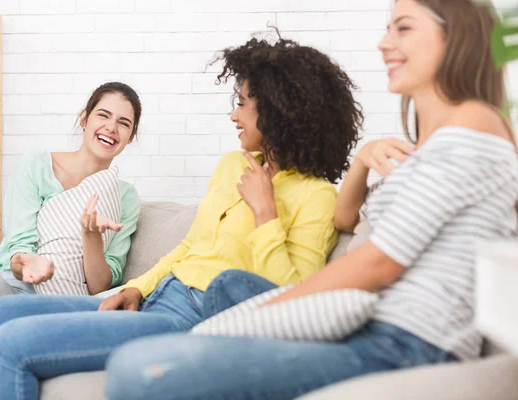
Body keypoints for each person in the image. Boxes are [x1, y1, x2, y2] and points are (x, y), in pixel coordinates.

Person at [101, 1, 518, 399]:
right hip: (369, 328)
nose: (384, 42)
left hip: (404, 342)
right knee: (190, 324)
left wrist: (258, 315)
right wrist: (360, 163)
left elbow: (378, 261)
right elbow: (347, 217)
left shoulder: (472, 126)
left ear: (456, 37)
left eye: (404, 27)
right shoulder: (439, 141)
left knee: (139, 371)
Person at [0, 34, 363, 400]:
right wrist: (136, 287)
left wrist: (265, 212)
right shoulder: (231, 167)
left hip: (196, 316)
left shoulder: (317, 196)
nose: (233, 116)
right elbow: (190, 247)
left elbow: (291, 297)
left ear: (277, 111)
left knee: (11, 344)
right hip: (156, 298)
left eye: (242, 103)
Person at [0, 81, 142, 400]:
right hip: (9, 291)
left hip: (62, 306)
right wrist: (28, 263)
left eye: (124, 123)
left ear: (130, 137)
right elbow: (17, 248)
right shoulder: (36, 165)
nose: (111, 127)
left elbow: (102, 285)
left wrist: (91, 237)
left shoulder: (125, 197)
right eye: (103, 115)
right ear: (84, 118)